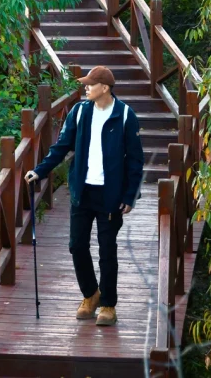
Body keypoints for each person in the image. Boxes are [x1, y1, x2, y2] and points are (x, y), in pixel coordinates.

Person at [25, 64, 144, 327]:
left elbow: (136, 161)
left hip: (110, 196)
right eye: (86, 83)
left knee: (107, 251)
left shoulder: (125, 116)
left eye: (90, 84)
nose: (86, 87)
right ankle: (90, 294)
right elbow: (61, 146)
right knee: (76, 246)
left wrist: (130, 195)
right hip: (82, 192)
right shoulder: (79, 112)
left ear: (105, 88)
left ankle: (109, 305)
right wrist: (40, 171)